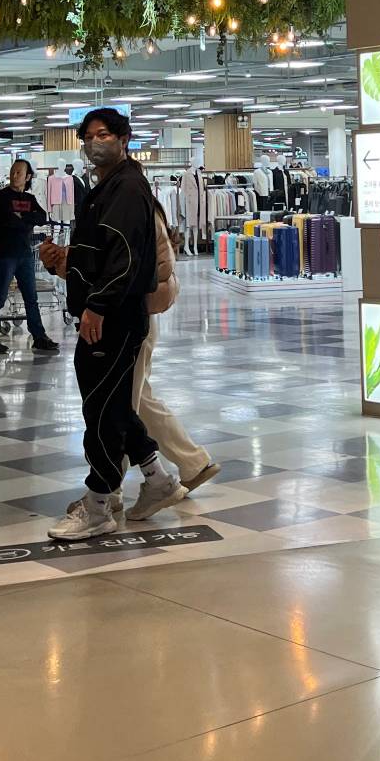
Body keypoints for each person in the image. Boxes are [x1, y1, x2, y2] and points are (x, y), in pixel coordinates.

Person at [40, 107, 184, 539]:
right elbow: (99, 254)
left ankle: (99, 503)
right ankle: (158, 479)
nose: (94, 143)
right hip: (106, 311)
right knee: (115, 404)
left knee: (101, 410)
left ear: (124, 139)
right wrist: (65, 263)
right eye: (88, 137)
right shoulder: (106, 188)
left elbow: (124, 257)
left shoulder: (126, 189)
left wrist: (98, 305)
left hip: (113, 317)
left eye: (103, 134)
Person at [126, 200, 219, 505]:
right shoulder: (136, 204)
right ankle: (193, 462)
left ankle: (108, 490)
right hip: (135, 315)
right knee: (140, 400)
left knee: (122, 406)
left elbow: (152, 265)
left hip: (132, 317)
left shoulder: (133, 205)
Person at [0, 158, 56, 358]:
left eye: (19, 173)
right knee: (0, 297)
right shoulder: (2, 196)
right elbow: (7, 221)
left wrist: (23, 218)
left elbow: (41, 217)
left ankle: (39, 336)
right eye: (13, 172)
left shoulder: (30, 199)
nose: (14, 176)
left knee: (31, 297)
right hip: (6, 253)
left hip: (25, 253)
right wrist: (26, 220)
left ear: (28, 177)